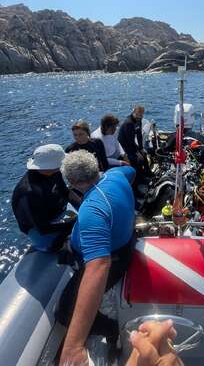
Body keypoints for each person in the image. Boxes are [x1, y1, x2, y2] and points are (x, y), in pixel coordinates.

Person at [57, 150, 136, 365]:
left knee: (63, 313)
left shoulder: (92, 210)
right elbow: (131, 170)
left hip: (114, 259)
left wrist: (73, 347)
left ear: (72, 181)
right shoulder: (116, 175)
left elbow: (99, 266)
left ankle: (113, 329)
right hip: (127, 242)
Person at [11, 144, 79, 252]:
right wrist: (74, 222)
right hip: (41, 228)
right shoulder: (29, 192)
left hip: (57, 211)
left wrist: (83, 204)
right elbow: (43, 228)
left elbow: (65, 192)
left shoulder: (54, 172)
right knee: (76, 239)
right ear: (49, 167)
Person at [118, 105, 152, 185]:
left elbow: (139, 135)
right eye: (138, 114)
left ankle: (148, 173)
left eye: (141, 114)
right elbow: (129, 141)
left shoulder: (139, 120)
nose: (140, 116)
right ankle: (140, 180)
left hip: (131, 144)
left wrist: (141, 148)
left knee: (144, 154)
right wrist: (137, 152)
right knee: (137, 159)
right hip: (125, 148)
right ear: (134, 112)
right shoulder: (128, 123)